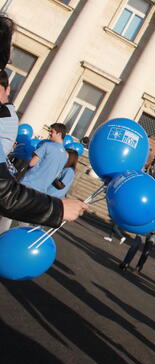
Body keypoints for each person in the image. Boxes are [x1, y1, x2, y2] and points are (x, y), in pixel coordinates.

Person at [0, 14, 87, 229]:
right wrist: (58, 208)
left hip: (26, 189)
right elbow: (4, 194)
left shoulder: (47, 146)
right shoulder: (64, 153)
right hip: (31, 194)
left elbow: (30, 164)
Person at [20, 123, 68, 194]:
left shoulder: (47, 145)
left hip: (28, 183)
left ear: (59, 134)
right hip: (41, 190)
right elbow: (56, 175)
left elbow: (31, 163)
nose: (49, 133)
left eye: (52, 132)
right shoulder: (65, 155)